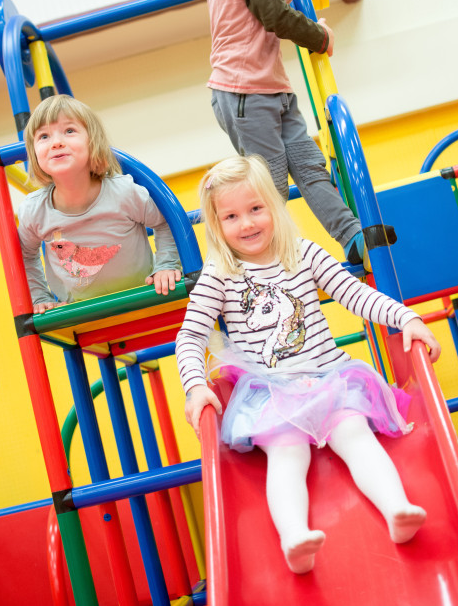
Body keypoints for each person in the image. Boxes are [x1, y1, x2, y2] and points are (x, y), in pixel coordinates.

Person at [175, 155, 441, 575]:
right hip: (272, 391)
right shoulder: (219, 274)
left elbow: (356, 295)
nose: (246, 223)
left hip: (330, 378)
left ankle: (397, 510)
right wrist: (194, 387)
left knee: (355, 434)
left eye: (256, 209)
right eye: (231, 216)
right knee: (288, 452)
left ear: (274, 207)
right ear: (216, 224)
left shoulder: (302, 253)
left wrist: (406, 317)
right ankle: (294, 537)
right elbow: (190, 336)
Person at [200, 0, 365, 265]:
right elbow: (273, 18)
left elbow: (257, 12)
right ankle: (269, 267)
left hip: (265, 90)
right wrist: (320, 35)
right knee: (268, 185)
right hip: (245, 92)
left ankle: (354, 237)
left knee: (310, 167)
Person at [18, 94, 181, 313]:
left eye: (69, 131)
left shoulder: (123, 192)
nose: (56, 142)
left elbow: (166, 222)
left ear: (92, 141)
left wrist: (166, 266)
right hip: (82, 310)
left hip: (145, 294)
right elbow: (24, 254)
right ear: (34, 153)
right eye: (44, 136)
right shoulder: (34, 210)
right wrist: (40, 296)